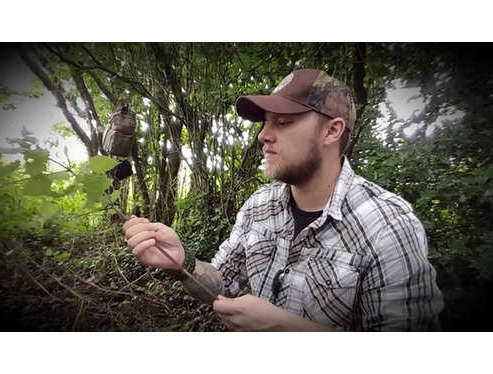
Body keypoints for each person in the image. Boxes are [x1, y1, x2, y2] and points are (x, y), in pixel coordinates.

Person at [123, 68, 444, 331]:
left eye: (283, 122)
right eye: (265, 121)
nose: (263, 134)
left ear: (332, 131)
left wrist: (288, 330)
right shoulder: (259, 206)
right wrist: (183, 262)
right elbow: (222, 284)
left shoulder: (388, 225)